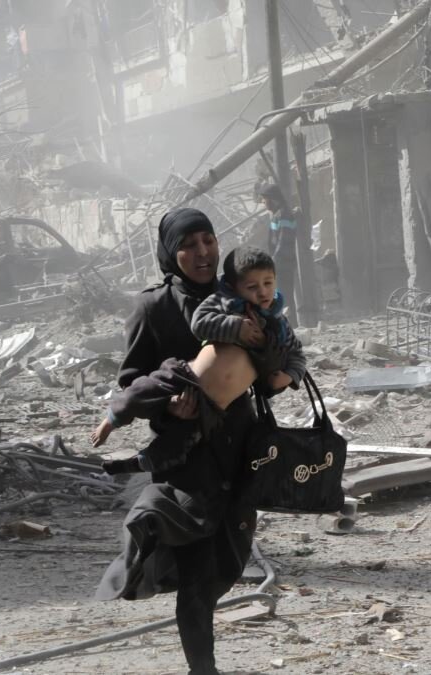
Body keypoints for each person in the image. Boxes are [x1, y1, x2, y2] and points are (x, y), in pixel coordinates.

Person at [95, 208, 259, 675]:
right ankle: (202, 669)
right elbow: (130, 380)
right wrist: (168, 407)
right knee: (198, 573)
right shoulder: (154, 307)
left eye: (208, 240)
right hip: (187, 460)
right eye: (188, 245)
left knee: (229, 561)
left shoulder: (238, 296)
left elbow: (263, 368)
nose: (203, 252)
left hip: (240, 450)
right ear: (171, 253)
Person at [91, 246, 306, 476]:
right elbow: (199, 323)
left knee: (180, 443)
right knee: (139, 393)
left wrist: (289, 376)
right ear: (233, 287)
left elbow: (296, 354)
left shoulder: (278, 323)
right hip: (184, 376)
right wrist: (235, 327)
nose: (263, 292)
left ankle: (137, 464)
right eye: (252, 287)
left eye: (268, 283)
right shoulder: (226, 302)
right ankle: (112, 420)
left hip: (216, 406)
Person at [257, 183, 298, 317]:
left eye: (265, 199)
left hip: (284, 263)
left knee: (284, 294)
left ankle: (290, 322)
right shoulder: (277, 214)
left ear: (273, 199)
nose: (263, 202)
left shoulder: (284, 215)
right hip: (280, 262)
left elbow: (284, 240)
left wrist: (274, 260)